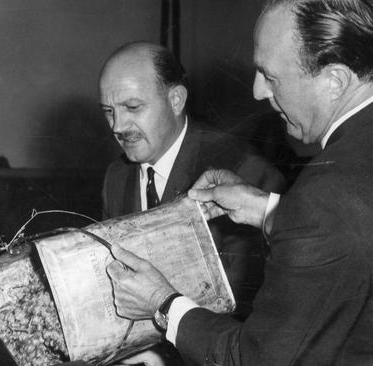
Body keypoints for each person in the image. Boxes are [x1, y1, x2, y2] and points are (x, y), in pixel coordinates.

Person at [107, 0, 373, 365]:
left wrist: (162, 302)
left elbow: (251, 359)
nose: (257, 91)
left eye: (270, 76)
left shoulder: (323, 192)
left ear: (335, 81)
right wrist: (267, 209)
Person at [99, 42, 286, 365]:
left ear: (176, 100)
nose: (118, 126)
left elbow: (251, 317)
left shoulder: (245, 172)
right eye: (109, 111)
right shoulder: (116, 177)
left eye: (132, 107)